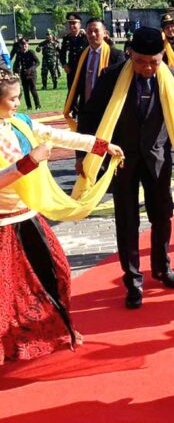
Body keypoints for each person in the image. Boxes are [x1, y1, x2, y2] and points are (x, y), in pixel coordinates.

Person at [0, 69, 122, 364]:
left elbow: (61, 137)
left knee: (57, 273)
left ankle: (56, 331)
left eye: (18, 98)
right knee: (6, 296)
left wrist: (102, 147)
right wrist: (29, 162)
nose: (18, 104)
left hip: (27, 216)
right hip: (3, 223)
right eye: (13, 99)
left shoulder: (21, 123)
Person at [77, 27, 174, 309]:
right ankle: (133, 279)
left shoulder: (172, 77)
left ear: (162, 56)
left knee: (162, 214)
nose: (148, 68)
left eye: (154, 62)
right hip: (121, 159)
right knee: (127, 220)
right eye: (141, 61)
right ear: (130, 54)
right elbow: (89, 115)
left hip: (157, 158)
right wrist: (82, 154)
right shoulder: (113, 76)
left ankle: (162, 267)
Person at [62, 18, 125, 131]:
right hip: (85, 111)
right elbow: (76, 83)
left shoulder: (116, 56)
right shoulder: (81, 55)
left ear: (105, 33)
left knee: (102, 146)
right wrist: (71, 104)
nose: (93, 34)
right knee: (84, 146)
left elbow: (121, 85)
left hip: (107, 112)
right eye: (89, 31)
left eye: (96, 30)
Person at [60, 13, 89, 90]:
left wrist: (87, 35)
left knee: (84, 94)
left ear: (79, 25)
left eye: (74, 23)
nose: (71, 25)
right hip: (71, 70)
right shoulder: (67, 38)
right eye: (70, 23)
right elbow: (62, 53)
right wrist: (64, 65)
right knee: (71, 95)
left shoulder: (85, 37)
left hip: (84, 70)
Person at [13, 40, 41, 110]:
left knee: (33, 90)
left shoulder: (31, 52)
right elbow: (16, 64)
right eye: (23, 45)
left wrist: (31, 69)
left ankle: (38, 105)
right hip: (23, 74)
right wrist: (15, 72)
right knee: (26, 91)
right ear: (20, 46)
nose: (24, 46)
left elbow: (37, 62)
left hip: (32, 74)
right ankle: (29, 106)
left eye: (25, 45)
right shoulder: (19, 54)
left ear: (27, 45)